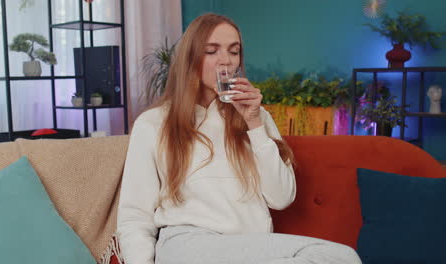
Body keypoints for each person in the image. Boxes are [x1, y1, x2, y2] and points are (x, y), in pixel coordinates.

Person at [117, 13, 362, 264]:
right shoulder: (154, 123)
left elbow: (281, 198)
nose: (225, 61)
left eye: (234, 52)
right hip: (187, 244)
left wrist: (254, 124)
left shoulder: (256, 117)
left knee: (341, 258)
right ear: (190, 57)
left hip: (248, 246)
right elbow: (135, 216)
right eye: (211, 51)